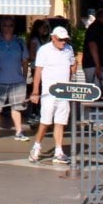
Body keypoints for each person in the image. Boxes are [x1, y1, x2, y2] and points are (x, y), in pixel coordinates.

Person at [27, 25, 76, 165]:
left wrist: (71, 75)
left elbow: (73, 64)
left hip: (64, 92)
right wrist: (35, 91)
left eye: (65, 39)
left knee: (60, 122)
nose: (63, 42)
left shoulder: (69, 49)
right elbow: (38, 71)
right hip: (49, 92)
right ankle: (36, 146)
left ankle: (59, 151)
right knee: (45, 122)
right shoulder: (44, 50)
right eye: (60, 39)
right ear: (53, 38)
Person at [0, 17, 30, 141]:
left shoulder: (20, 43)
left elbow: (25, 61)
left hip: (17, 81)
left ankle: (19, 131)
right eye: (5, 25)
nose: (7, 28)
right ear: (1, 26)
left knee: (17, 108)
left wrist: (24, 78)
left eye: (10, 25)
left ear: (13, 27)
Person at [82, 8, 103, 92]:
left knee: (102, 91)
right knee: (95, 92)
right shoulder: (96, 28)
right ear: (102, 17)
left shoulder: (100, 28)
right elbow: (92, 45)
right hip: (94, 65)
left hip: (98, 65)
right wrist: (98, 65)